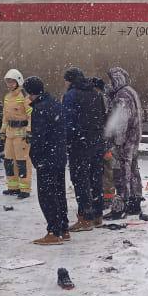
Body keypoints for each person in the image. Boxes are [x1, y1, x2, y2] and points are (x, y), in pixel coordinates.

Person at [22, 76, 70, 245]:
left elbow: (39, 138)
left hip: (47, 159)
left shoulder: (40, 109)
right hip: (59, 157)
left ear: (31, 93)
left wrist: (36, 157)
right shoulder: (56, 103)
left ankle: (53, 232)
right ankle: (64, 229)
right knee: (59, 193)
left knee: (47, 196)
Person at [61, 67, 107, 232]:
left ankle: (84, 218)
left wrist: (68, 140)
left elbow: (67, 121)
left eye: (66, 80)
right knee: (96, 178)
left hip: (79, 145)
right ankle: (97, 215)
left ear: (71, 80)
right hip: (96, 143)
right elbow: (103, 118)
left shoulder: (71, 95)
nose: (65, 83)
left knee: (80, 180)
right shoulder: (96, 94)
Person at [104, 67, 144, 219]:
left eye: (111, 80)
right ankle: (135, 202)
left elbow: (120, 121)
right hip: (133, 139)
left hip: (125, 141)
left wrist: (117, 141)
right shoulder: (130, 92)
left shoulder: (122, 96)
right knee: (133, 170)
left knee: (121, 172)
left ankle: (121, 205)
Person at [0, 69, 31, 199]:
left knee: (22, 162)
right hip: (10, 135)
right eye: (8, 82)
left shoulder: (24, 96)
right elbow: (5, 117)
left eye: (12, 82)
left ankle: (25, 189)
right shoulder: (7, 97)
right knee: (8, 161)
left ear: (18, 81)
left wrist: (29, 131)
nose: (10, 84)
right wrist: (2, 131)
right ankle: (13, 187)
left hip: (21, 135)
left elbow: (31, 115)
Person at [92, 77, 117, 212]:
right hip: (105, 141)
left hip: (104, 141)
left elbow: (106, 125)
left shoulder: (102, 99)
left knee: (106, 171)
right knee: (106, 171)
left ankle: (107, 198)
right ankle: (106, 197)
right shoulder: (106, 98)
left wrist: (106, 146)